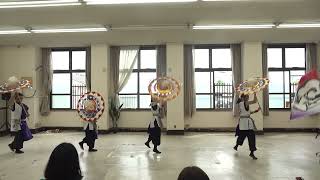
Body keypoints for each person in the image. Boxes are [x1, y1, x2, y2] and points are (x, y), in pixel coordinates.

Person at [234, 93, 260, 160]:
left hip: (249, 123)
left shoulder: (246, 103)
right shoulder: (241, 103)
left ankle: (252, 153)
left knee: (252, 137)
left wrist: (255, 111)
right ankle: (237, 145)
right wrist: (254, 94)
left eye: (248, 97)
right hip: (243, 123)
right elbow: (254, 101)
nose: (248, 98)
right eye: (247, 97)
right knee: (241, 136)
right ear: (243, 98)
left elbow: (248, 112)